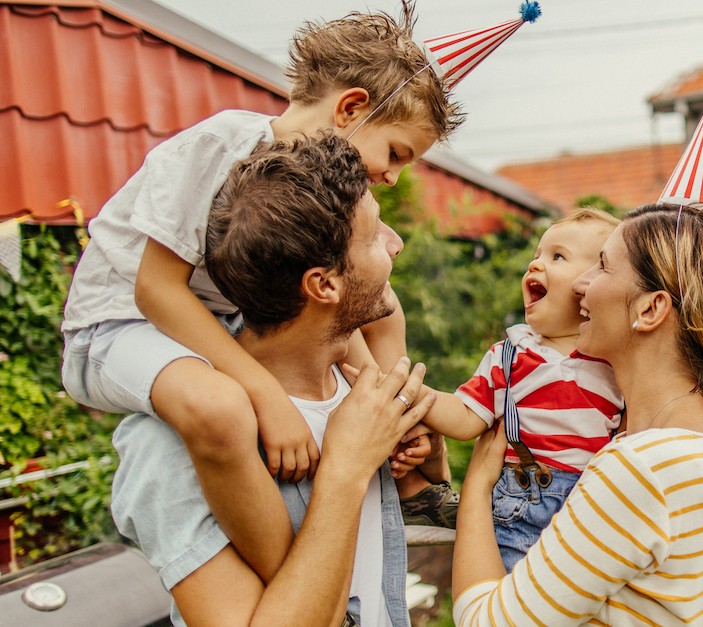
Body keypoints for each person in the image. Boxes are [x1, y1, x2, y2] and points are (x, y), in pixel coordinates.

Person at [63, 6, 461, 583]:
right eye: (396, 153)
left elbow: (347, 306)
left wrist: (387, 407)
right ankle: (296, 581)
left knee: (373, 297)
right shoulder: (223, 143)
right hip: (119, 327)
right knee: (220, 409)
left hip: (216, 322)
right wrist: (263, 396)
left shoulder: (315, 190)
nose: (393, 175)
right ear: (350, 109)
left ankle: (413, 482)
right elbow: (155, 290)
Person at [112, 133, 435, 626]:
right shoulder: (177, 444)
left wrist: (425, 456)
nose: (396, 244)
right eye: (373, 237)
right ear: (323, 284)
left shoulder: (359, 386)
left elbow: (419, 516)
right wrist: (345, 471)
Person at [451, 201, 703, 625]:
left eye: (601, 267)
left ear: (650, 309)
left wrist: (477, 484)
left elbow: (484, 622)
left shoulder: (639, 471)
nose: (581, 284)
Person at [416, 208, 623, 568]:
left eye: (557, 256)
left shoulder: (614, 360)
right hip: (522, 508)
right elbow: (467, 418)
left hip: (594, 510)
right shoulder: (510, 355)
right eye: (536, 255)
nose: (535, 265)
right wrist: (417, 395)